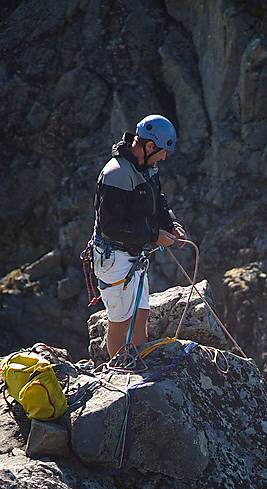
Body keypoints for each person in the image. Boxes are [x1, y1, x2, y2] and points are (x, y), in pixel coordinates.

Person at [91, 114, 187, 357]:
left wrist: (171, 224)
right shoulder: (116, 174)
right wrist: (155, 236)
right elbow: (111, 227)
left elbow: (157, 201)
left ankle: (139, 365)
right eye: (162, 151)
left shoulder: (148, 168)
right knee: (121, 323)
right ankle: (122, 375)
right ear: (149, 146)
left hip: (135, 254)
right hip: (115, 258)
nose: (164, 157)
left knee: (140, 316)